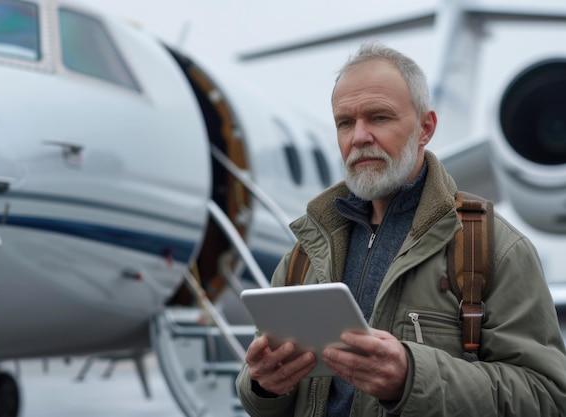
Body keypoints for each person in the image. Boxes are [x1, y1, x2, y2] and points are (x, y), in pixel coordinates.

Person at [235, 41, 566, 416]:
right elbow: (258, 399)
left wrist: (411, 377)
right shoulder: (305, 253)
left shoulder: (494, 248)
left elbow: (549, 398)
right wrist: (262, 385)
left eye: (379, 118)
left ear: (425, 128)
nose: (359, 137)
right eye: (345, 122)